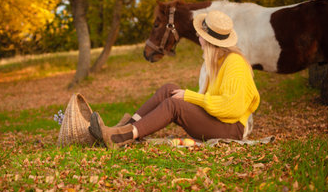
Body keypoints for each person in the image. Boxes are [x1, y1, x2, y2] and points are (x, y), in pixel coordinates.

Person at [89, 10, 260, 149]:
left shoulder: (234, 63)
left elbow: (231, 108)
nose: (198, 38)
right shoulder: (218, 61)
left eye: (200, 35)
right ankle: (124, 128)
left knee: (174, 104)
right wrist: (189, 96)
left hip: (230, 129)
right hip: (219, 121)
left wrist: (189, 96)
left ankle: (122, 137)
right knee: (169, 89)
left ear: (209, 41)